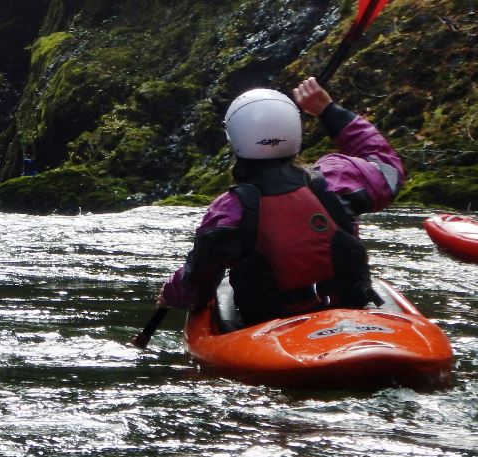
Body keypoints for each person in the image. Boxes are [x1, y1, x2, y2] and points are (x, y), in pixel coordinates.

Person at [156, 77, 403, 326]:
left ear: (234, 140)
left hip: (270, 327)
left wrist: (170, 294)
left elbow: (196, 285)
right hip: (349, 312)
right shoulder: (337, 177)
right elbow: (387, 166)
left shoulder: (228, 211)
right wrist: (329, 111)